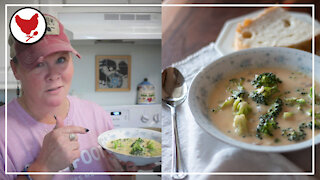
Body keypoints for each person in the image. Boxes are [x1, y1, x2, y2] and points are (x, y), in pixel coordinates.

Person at [0, 13, 153, 180]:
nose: (53, 75)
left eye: (60, 59)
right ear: (15, 69)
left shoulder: (97, 115)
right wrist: (43, 167)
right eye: (39, 64)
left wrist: (124, 176)